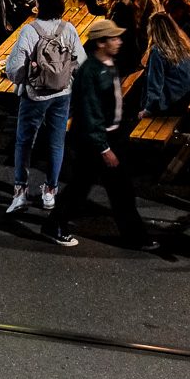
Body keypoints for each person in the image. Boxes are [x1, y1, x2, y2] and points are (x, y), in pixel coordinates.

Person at [43, 18, 155, 249]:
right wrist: (105, 148)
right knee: (84, 188)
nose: (118, 41)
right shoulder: (90, 72)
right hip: (94, 141)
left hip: (109, 136)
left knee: (115, 190)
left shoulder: (108, 64)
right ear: (101, 43)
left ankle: (134, 236)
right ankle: (54, 225)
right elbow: (90, 113)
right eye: (113, 38)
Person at [4, 0, 84, 214]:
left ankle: (20, 191)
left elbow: (15, 67)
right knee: (56, 142)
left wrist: (23, 78)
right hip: (62, 94)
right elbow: (81, 61)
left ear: (39, 5)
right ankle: (50, 191)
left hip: (35, 95)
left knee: (24, 142)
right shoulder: (68, 29)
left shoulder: (30, 31)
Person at [141, 10, 190, 117]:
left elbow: (155, 85)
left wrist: (147, 110)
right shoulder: (181, 41)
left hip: (179, 101)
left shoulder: (157, 51)